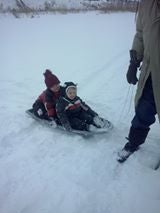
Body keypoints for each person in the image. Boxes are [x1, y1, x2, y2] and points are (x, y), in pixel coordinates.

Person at [117, 0, 160, 162]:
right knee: (143, 110)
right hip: (151, 72)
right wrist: (134, 62)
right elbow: (141, 34)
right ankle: (134, 142)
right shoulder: (146, 3)